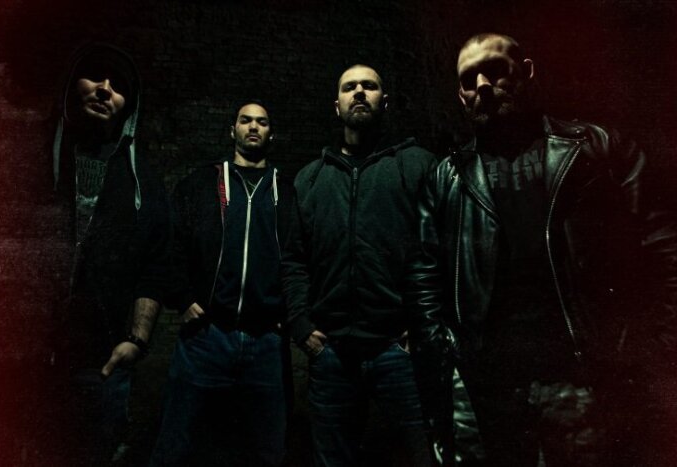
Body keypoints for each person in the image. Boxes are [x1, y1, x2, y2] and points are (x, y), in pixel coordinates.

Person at [406, 33, 677, 466]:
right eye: (468, 80)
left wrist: (645, 352)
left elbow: (666, 251)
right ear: (460, 96)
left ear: (527, 72)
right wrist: (447, 363)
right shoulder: (447, 177)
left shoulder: (597, 148)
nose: (482, 86)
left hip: (583, 382)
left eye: (495, 71)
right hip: (489, 391)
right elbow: (424, 276)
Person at [282, 64, 435, 467]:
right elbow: (294, 259)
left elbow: (439, 252)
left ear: (385, 101)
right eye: (350, 87)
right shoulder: (310, 179)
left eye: (370, 86)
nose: (360, 92)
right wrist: (301, 325)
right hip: (331, 353)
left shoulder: (417, 165)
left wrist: (423, 327)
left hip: (398, 351)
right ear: (337, 106)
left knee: (423, 456)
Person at [149, 100, 292, 467]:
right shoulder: (201, 183)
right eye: (246, 120)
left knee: (265, 449)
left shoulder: (286, 190)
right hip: (206, 337)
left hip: (266, 342)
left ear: (271, 134)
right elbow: (172, 244)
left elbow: (300, 258)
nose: (254, 127)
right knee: (178, 443)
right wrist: (184, 299)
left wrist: (288, 314)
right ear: (233, 130)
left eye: (262, 122)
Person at [52, 43, 170, 466]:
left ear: (127, 108)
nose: (104, 89)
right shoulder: (29, 162)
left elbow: (155, 264)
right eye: (95, 76)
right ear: (72, 86)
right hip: (22, 362)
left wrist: (136, 340)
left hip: (101, 362)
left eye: (117, 86)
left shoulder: (144, 182)